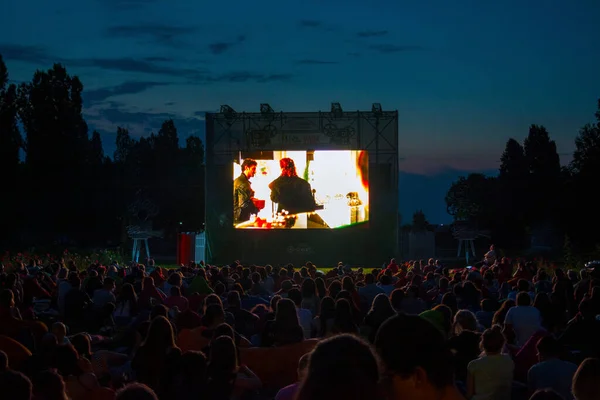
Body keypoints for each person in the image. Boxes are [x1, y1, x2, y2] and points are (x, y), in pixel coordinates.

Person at [233, 159, 263, 223]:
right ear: (246, 168)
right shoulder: (243, 183)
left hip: (236, 216)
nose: (255, 171)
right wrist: (256, 208)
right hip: (240, 218)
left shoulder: (238, 180)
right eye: (253, 169)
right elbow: (243, 204)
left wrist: (251, 199)